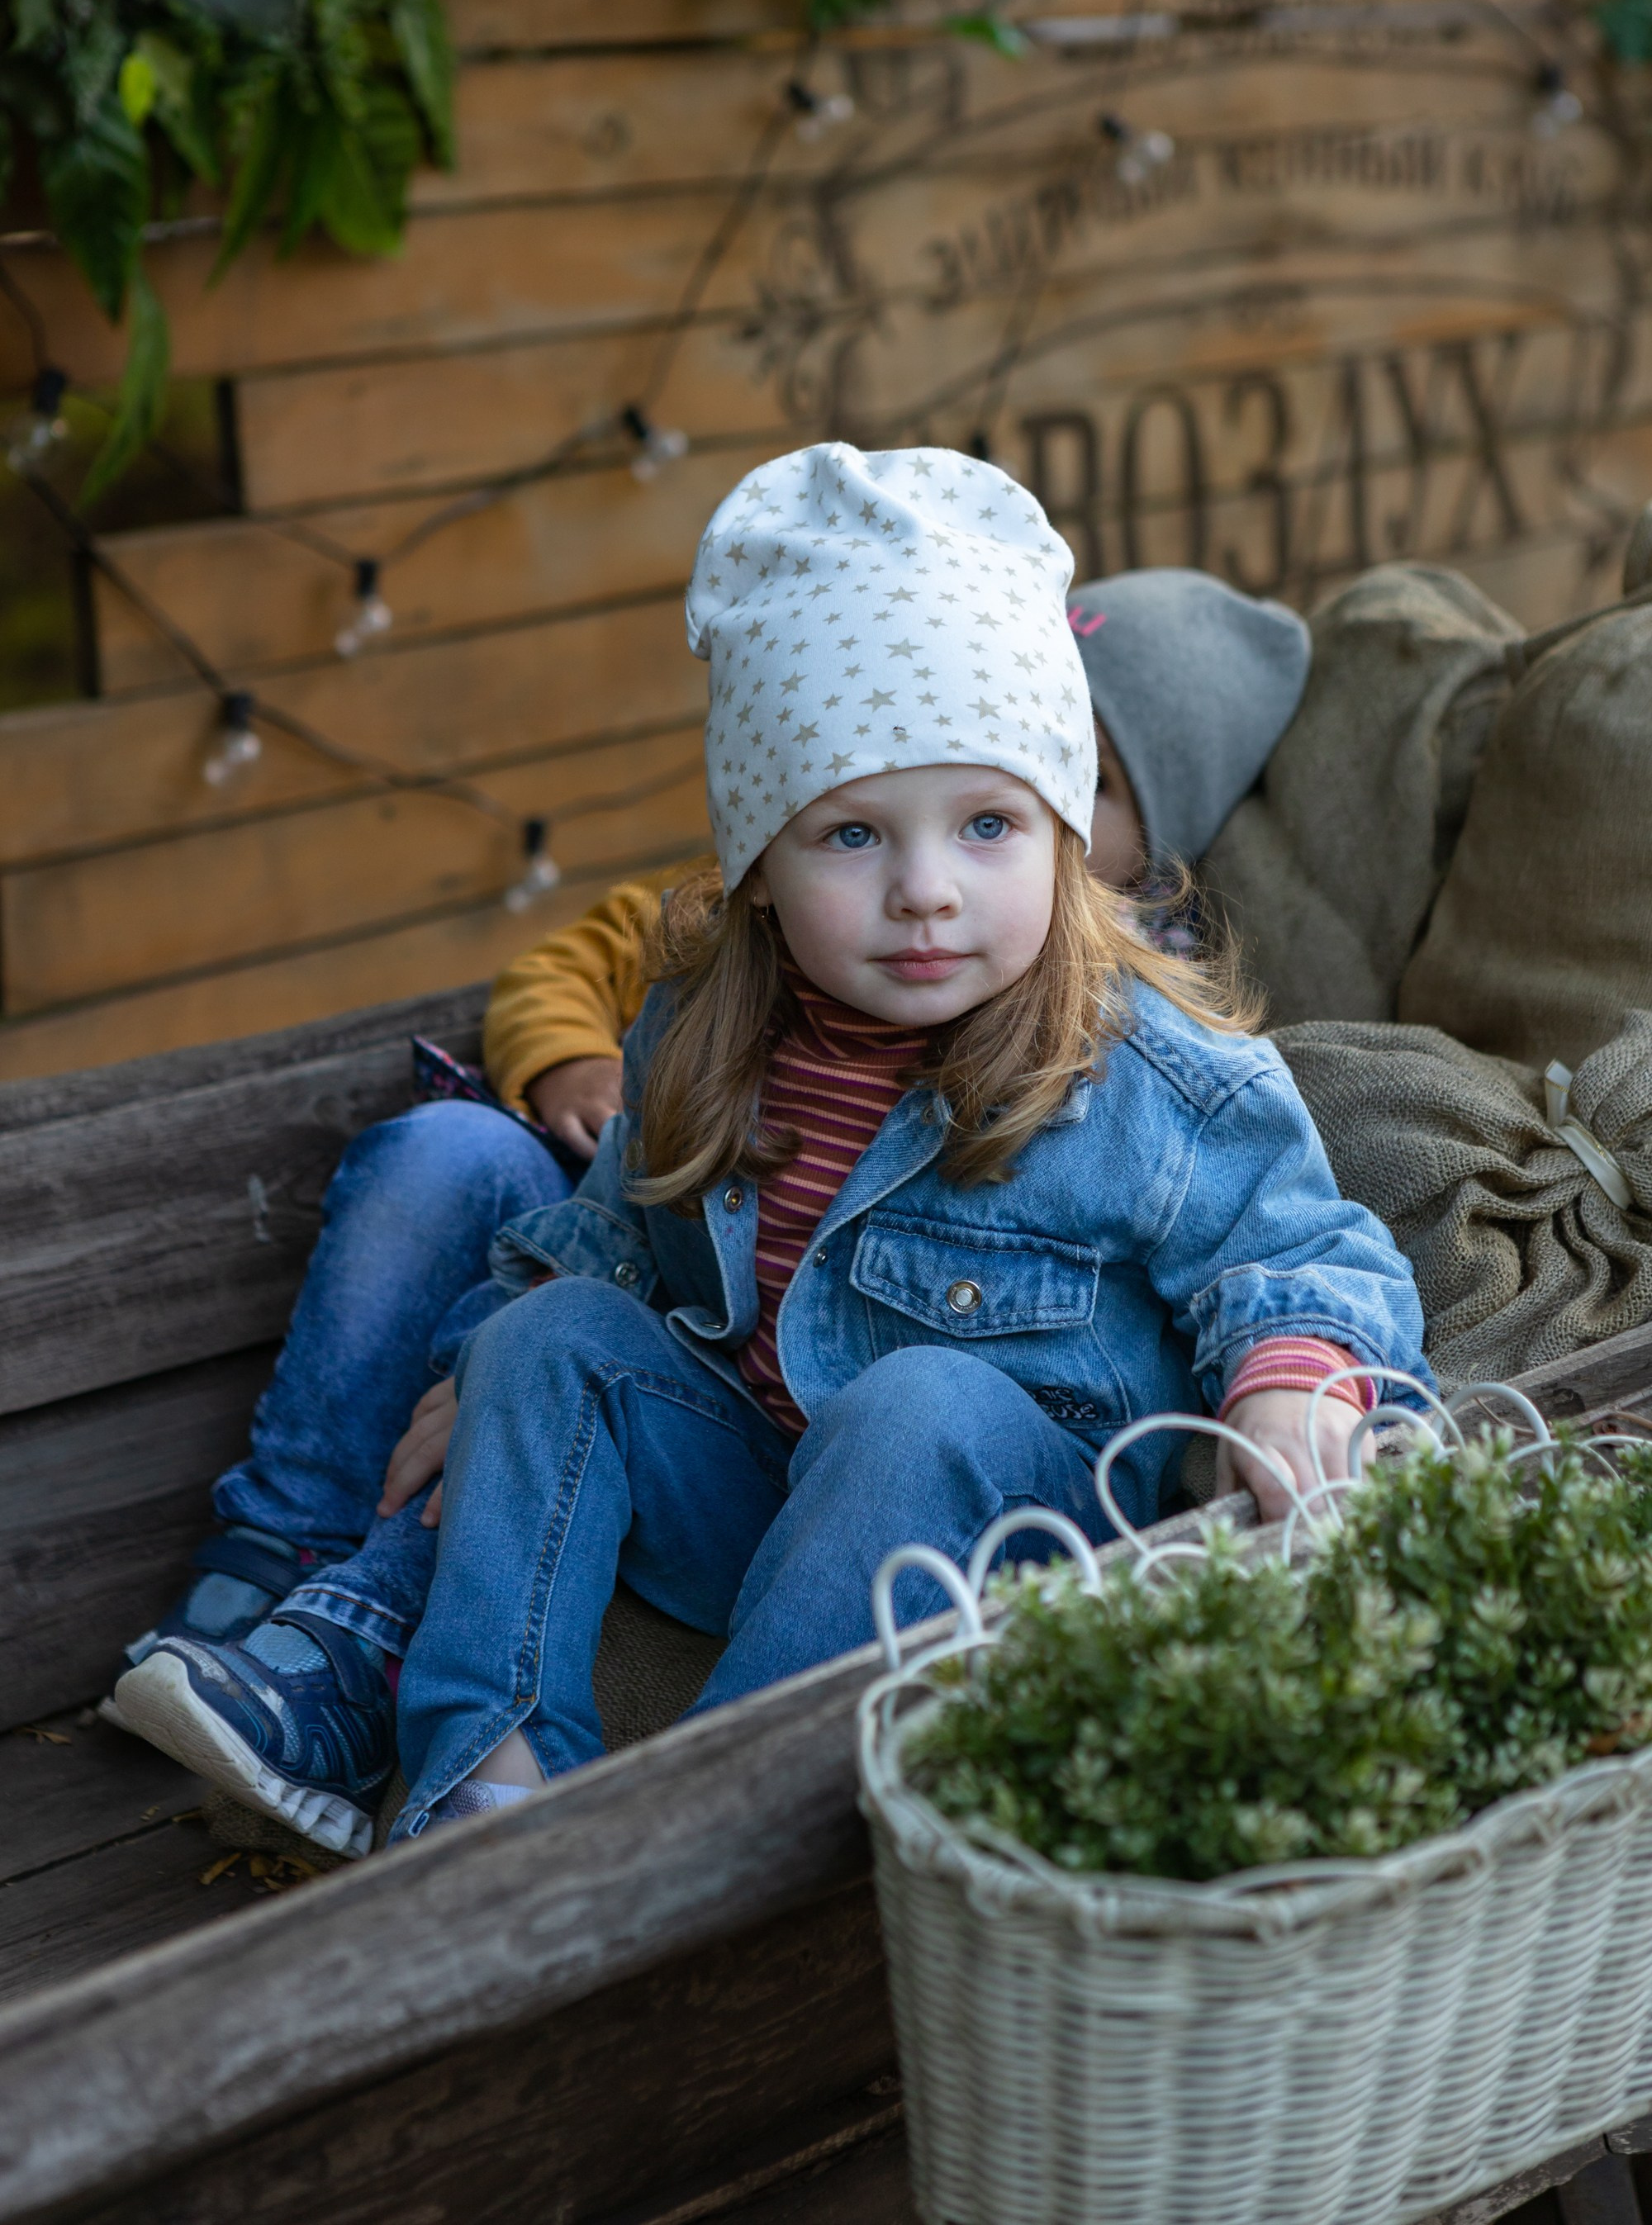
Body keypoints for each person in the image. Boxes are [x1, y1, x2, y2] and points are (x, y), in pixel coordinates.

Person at [111, 445, 1417, 1857]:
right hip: (761, 1497)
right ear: (757, 861)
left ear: (1060, 834)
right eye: (852, 834)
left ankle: (700, 1835)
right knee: (557, 1336)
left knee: (919, 1402)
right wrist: (484, 1358)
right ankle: (484, 1796)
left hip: (1018, 1539)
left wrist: (1295, 1383)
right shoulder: (704, 1027)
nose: (925, 893)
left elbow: (1299, 1250)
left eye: (988, 825)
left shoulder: (1142, 1072)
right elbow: (604, 1237)